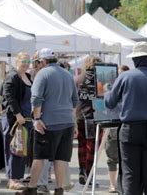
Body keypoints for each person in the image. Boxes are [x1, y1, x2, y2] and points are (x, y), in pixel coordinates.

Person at [104, 42, 147, 195]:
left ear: (135, 60)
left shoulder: (125, 77)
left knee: (130, 175)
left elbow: (110, 103)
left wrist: (107, 90)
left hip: (129, 130)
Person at [20, 48, 78, 195]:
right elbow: (74, 101)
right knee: (61, 158)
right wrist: (74, 122)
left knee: (39, 157)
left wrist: (37, 119)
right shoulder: (67, 74)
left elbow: (36, 99)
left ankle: (32, 188)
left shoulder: (43, 74)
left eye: (37, 62)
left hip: (48, 123)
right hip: (67, 122)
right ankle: (59, 189)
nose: (37, 65)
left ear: (43, 61)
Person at [1, 52, 33, 191]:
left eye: (28, 61)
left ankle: (18, 177)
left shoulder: (28, 76)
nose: (25, 63)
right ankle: (12, 179)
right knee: (13, 147)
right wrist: (17, 114)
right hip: (14, 118)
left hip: (26, 118)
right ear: (17, 61)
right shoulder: (13, 76)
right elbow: (8, 95)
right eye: (23, 61)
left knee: (21, 149)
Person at [74, 56, 102, 186]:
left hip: (80, 115)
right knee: (91, 146)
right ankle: (88, 174)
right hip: (93, 115)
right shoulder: (98, 79)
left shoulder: (79, 78)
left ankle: (82, 171)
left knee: (82, 145)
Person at [104, 65, 130, 193]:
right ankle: (113, 184)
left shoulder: (129, 90)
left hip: (126, 126)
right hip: (113, 126)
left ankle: (122, 184)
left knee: (126, 158)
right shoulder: (110, 89)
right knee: (112, 158)